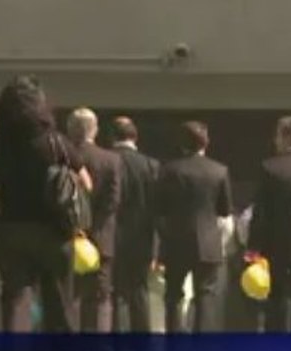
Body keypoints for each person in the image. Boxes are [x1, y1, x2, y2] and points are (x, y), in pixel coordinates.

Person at [0, 75, 92, 351]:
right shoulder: (56, 142)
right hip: (53, 233)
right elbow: (86, 182)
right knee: (60, 305)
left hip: (11, 229)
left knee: (16, 303)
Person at [156, 121, 234, 335]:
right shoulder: (219, 171)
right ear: (205, 143)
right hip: (208, 241)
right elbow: (225, 210)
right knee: (205, 294)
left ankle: (173, 343)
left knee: (173, 294)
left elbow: (160, 208)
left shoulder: (169, 170)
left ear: (182, 144)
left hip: (176, 239)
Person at [249, 116, 291, 333]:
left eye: (278, 135)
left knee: (280, 296)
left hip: (277, 244)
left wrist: (254, 246)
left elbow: (261, 212)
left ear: (285, 137)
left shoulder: (269, 168)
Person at [66, 108, 122, 337]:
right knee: (101, 296)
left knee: (70, 295)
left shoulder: (60, 158)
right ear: (95, 130)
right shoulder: (111, 160)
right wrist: (92, 229)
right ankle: (99, 348)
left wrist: (76, 228)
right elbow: (113, 201)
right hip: (101, 237)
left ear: (69, 130)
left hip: (66, 237)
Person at [108, 116, 159, 336]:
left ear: (112, 137)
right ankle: (141, 342)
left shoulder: (106, 160)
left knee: (111, 292)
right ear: (135, 138)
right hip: (141, 236)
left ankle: (113, 339)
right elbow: (157, 206)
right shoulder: (151, 165)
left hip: (110, 235)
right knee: (139, 291)